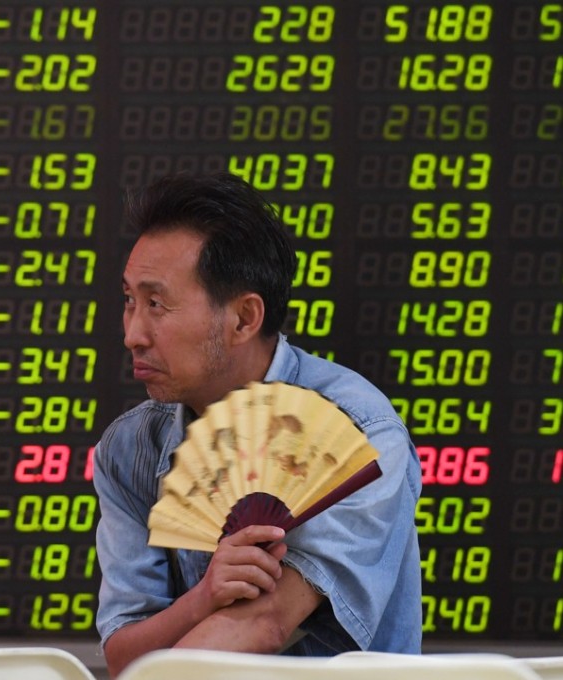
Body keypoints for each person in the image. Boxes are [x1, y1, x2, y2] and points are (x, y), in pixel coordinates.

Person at [93, 172, 422, 678]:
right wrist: (203, 596)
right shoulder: (129, 448)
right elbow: (123, 655)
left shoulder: (360, 432)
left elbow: (264, 624)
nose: (133, 333)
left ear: (244, 318)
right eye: (129, 300)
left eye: (156, 304)